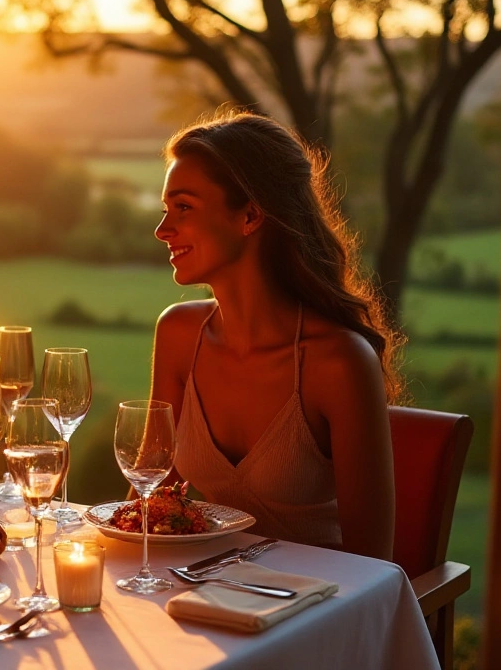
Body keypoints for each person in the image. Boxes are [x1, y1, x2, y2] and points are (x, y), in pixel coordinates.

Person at [149, 110, 402, 560]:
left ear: (249, 215)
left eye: (183, 207)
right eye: (166, 209)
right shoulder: (178, 334)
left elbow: (374, 563)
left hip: (317, 608)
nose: (162, 230)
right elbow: (152, 509)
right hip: (209, 598)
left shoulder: (338, 362)